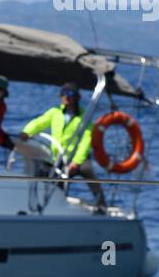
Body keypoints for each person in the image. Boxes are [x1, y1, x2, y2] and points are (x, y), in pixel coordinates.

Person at [17, 82, 107, 211]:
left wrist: (76, 162)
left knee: (88, 171)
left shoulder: (84, 118)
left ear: (77, 97)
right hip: (58, 158)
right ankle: (50, 204)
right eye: (63, 94)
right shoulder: (55, 113)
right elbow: (39, 122)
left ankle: (102, 205)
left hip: (77, 158)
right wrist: (27, 132)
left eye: (69, 94)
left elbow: (86, 142)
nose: (66, 97)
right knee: (45, 173)